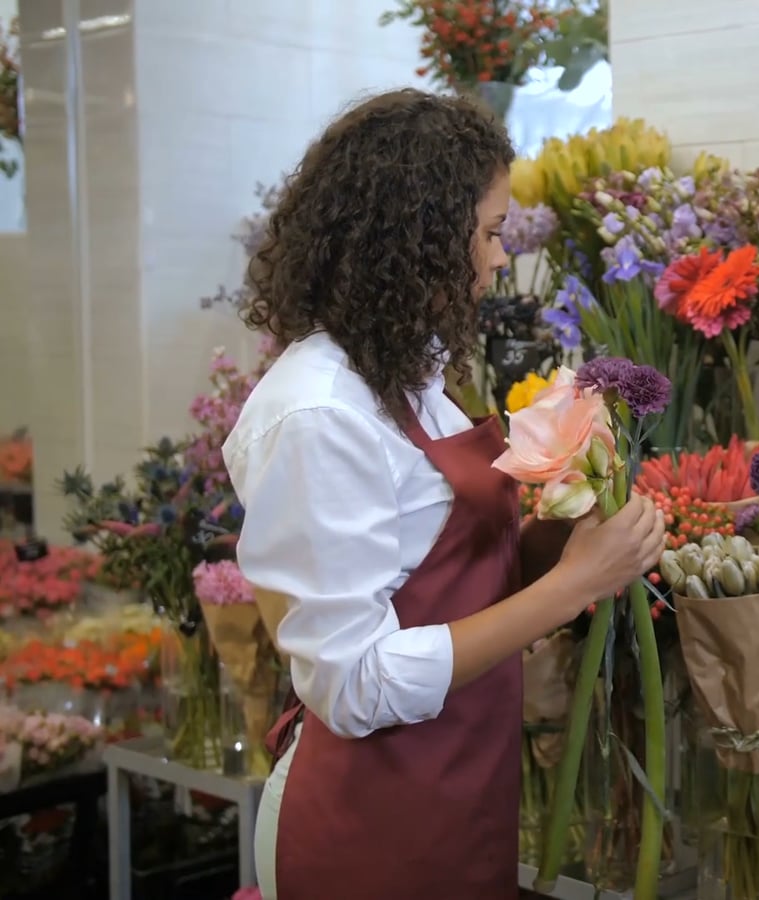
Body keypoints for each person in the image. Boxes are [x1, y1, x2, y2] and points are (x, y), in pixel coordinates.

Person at [224, 89, 665, 900]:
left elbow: (446, 570)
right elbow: (351, 683)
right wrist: (573, 587)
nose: (501, 260)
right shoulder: (319, 412)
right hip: (370, 825)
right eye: (491, 232)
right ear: (417, 238)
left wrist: (569, 532)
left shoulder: (407, 372)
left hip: (457, 794)